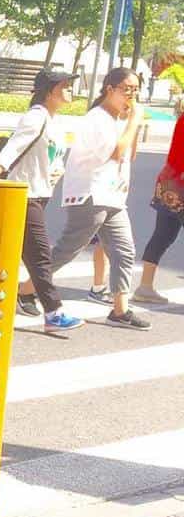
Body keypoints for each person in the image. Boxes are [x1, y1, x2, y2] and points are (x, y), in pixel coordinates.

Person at [47, 67, 149, 329]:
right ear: (109, 89)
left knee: (125, 251)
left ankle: (119, 310)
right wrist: (134, 121)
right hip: (90, 194)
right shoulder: (97, 118)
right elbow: (115, 153)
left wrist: (132, 125)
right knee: (68, 249)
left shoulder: (117, 119)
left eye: (136, 90)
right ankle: (26, 288)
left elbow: (129, 154)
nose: (131, 95)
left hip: (113, 195)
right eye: (127, 89)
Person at [0, 69, 83, 334]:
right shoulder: (35, 117)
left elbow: (52, 158)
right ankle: (54, 312)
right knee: (40, 256)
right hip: (23, 194)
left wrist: (56, 171)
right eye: (65, 86)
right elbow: (12, 150)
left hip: (39, 195)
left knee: (23, 255)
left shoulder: (55, 121)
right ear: (50, 90)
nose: (69, 90)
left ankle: (4, 298)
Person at [133, 96, 184, 304]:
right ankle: (144, 288)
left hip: (170, 182)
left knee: (162, 235)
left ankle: (145, 286)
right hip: (179, 183)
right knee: (164, 235)